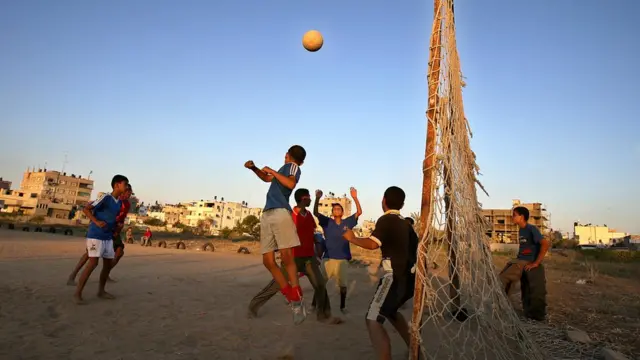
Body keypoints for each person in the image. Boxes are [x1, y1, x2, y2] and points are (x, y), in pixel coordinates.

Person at [341, 186, 418, 360]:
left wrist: (352, 238)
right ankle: (416, 351)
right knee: (390, 312)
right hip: (410, 280)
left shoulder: (386, 220)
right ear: (403, 204)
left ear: (383, 200)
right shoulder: (407, 225)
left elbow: (373, 243)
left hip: (394, 278)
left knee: (373, 319)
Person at [248, 188, 341, 324]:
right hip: (292, 258)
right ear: (303, 199)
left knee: (320, 284)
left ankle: (324, 315)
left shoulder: (308, 215)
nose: (309, 199)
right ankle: (253, 306)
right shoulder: (289, 216)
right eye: (308, 197)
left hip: (309, 257)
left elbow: (312, 234)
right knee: (277, 285)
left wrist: (317, 250)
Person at [244, 145, 307, 324]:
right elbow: (266, 179)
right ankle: (289, 294)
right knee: (268, 261)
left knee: (287, 257)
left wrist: (272, 170)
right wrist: (254, 168)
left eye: (286, 155)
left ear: (288, 155)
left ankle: (296, 297)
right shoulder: (281, 171)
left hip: (281, 212)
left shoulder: (293, 167)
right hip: (268, 213)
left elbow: (291, 184)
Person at [74, 174, 129, 304]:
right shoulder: (105, 197)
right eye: (125, 184)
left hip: (108, 236)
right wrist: (97, 221)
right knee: (93, 263)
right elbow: (86, 209)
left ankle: (101, 291)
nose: (126, 187)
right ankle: (77, 293)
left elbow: (110, 218)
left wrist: (117, 227)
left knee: (107, 265)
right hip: (96, 235)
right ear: (117, 185)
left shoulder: (119, 203)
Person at [67, 184, 132, 285]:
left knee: (119, 252)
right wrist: (96, 222)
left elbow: (121, 218)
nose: (129, 194)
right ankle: (73, 275)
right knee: (90, 255)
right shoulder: (108, 199)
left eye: (130, 193)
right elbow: (91, 209)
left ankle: (105, 274)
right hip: (101, 230)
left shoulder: (125, 204)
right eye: (127, 192)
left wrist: (118, 228)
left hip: (113, 230)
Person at [313, 187, 362, 313]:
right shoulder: (327, 222)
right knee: (320, 284)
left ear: (342, 212)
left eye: (339, 208)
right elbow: (316, 213)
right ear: (332, 212)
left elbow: (359, 212)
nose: (336, 210)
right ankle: (314, 304)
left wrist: (355, 197)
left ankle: (342, 307)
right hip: (328, 258)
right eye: (334, 209)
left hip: (342, 260)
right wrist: (317, 198)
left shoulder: (348, 222)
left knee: (343, 286)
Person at [498, 206, 550, 321]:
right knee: (512, 281)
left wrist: (536, 263)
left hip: (527, 261)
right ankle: (505, 307)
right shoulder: (521, 230)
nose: (512, 217)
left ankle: (501, 307)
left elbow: (545, 244)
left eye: (514, 215)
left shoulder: (531, 229)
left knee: (501, 279)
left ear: (522, 217)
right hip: (520, 260)